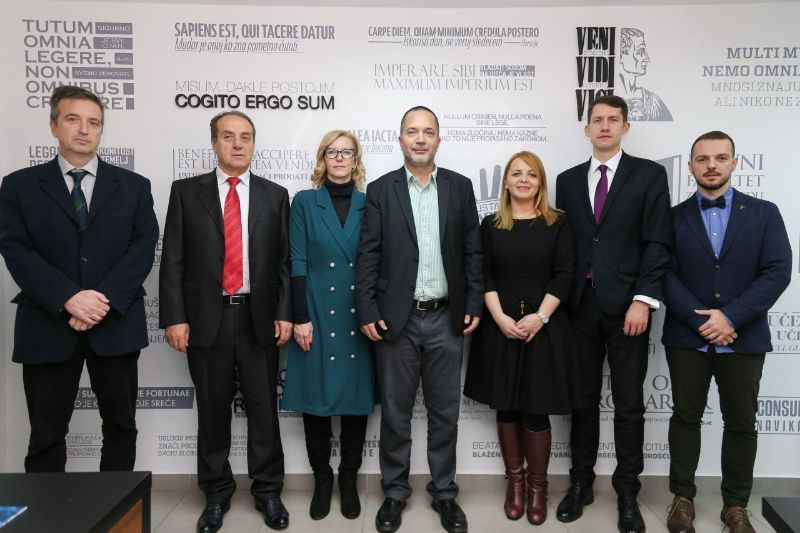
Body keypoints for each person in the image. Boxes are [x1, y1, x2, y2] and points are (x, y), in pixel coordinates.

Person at [0, 85, 158, 473]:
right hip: (48, 322)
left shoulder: (134, 186)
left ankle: (118, 508)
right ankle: (46, 508)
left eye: (94, 122)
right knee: (46, 434)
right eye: (73, 119)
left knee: (121, 428)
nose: (84, 129)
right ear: (54, 126)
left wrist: (101, 300)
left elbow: (143, 246)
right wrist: (68, 297)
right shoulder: (19, 185)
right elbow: (16, 249)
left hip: (115, 322)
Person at [159, 111, 292, 532]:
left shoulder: (275, 195)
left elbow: (285, 262)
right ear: (214, 142)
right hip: (205, 320)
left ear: (253, 144)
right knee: (212, 413)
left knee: (263, 412)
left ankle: (268, 492)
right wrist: (175, 317)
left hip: (258, 319)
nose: (238, 144)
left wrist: (285, 312)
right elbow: (173, 259)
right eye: (229, 136)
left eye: (246, 137)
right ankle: (216, 495)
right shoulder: (186, 192)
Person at [355, 106, 482, 533]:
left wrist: (474, 301)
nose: (421, 139)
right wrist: (367, 308)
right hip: (398, 320)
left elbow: (472, 250)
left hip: (447, 317)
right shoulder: (381, 190)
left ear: (438, 140)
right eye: (413, 131)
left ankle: (444, 492)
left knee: (445, 412)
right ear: (401, 140)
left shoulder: (460, 187)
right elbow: (368, 253)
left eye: (428, 131)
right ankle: (394, 492)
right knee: (396, 413)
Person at [555, 94, 673, 533]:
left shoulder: (649, 175)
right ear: (587, 129)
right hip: (579, 307)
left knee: (628, 404)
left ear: (626, 127)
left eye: (613, 119)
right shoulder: (567, 180)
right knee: (581, 401)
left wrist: (644, 299)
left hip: (629, 307)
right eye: (597, 120)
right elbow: (567, 245)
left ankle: (627, 493)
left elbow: (658, 241)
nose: (604, 126)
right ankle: (580, 484)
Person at [662, 131, 791, 533]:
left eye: (720, 157)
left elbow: (777, 271)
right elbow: (663, 274)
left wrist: (730, 317)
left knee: (741, 422)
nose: (711, 165)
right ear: (690, 166)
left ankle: (735, 505)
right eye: (702, 159)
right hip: (687, 338)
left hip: (744, 337)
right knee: (685, 417)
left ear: (735, 163)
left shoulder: (765, 213)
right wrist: (703, 321)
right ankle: (682, 499)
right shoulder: (671, 218)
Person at [464, 151, 580, 526]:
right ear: (506, 182)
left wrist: (540, 317)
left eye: (531, 174)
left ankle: (538, 488)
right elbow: (483, 275)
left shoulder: (558, 223)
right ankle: (515, 485)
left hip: (543, 328)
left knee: (536, 407)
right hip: (501, 328)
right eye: (516, 174)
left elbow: (565, 274)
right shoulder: (491, 224)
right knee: (507, 406)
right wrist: (499, 318)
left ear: (540, 182)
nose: (524, 179)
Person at [282, 130, 378, 521]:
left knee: (356, 402)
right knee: (315, 401)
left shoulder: (370, 204)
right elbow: (298, 262)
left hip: (358, 313)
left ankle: (349, 479)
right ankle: (322, 480)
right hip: (317, 310)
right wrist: (301, 317)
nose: (339, 158)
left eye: (347, 152)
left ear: (356, 160)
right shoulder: (305, 202)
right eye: (332, 152)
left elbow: (377, 260)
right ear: (323, 158)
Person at [618, 27, 672, 121]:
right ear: (621, 56)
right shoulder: (603, 103)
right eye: (640, 52)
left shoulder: (654, 102)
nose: (646, 59)